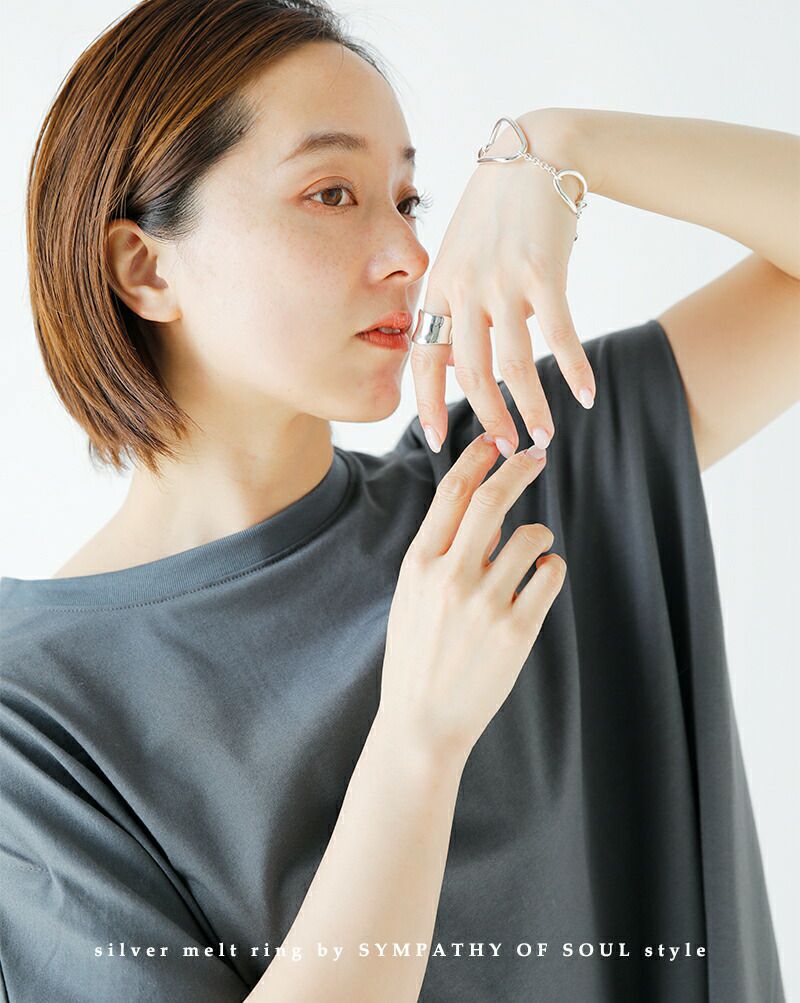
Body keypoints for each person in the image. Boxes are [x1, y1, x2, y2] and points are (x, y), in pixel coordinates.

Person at [1, 1, 796, 1000]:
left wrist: (556, 147)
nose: (412, 258)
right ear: (145, 267)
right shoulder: (33, 713)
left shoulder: (507, 481)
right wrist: (418, 741)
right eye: (331, 193)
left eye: (408, 200)